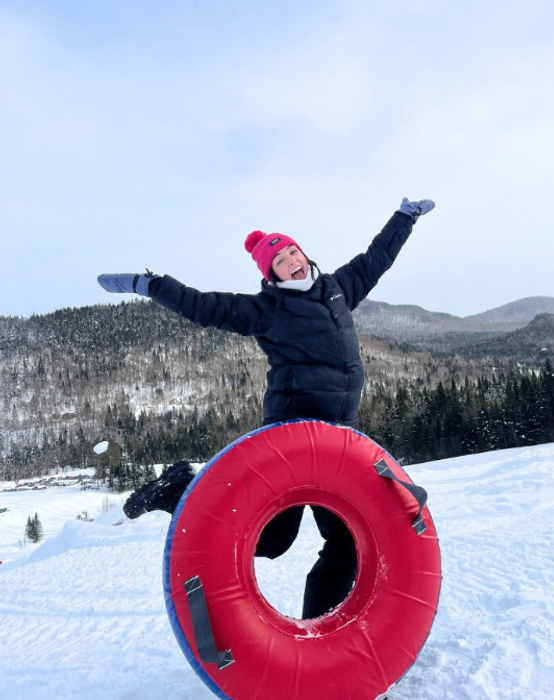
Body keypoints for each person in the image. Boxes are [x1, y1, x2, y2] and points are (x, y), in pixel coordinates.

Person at [98, 197, 435, 618]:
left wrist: (403, 217)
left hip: (340, 441)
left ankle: (321, 639)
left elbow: (376, 259)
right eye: (279, 259)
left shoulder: (337, 289)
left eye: (293, 250)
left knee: (348, 543)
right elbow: (204, 307)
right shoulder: (267, 309)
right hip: (293, 440)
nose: (291, 259)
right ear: (270, 273)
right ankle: (181, 488)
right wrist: (149, 284)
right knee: (274, 540)